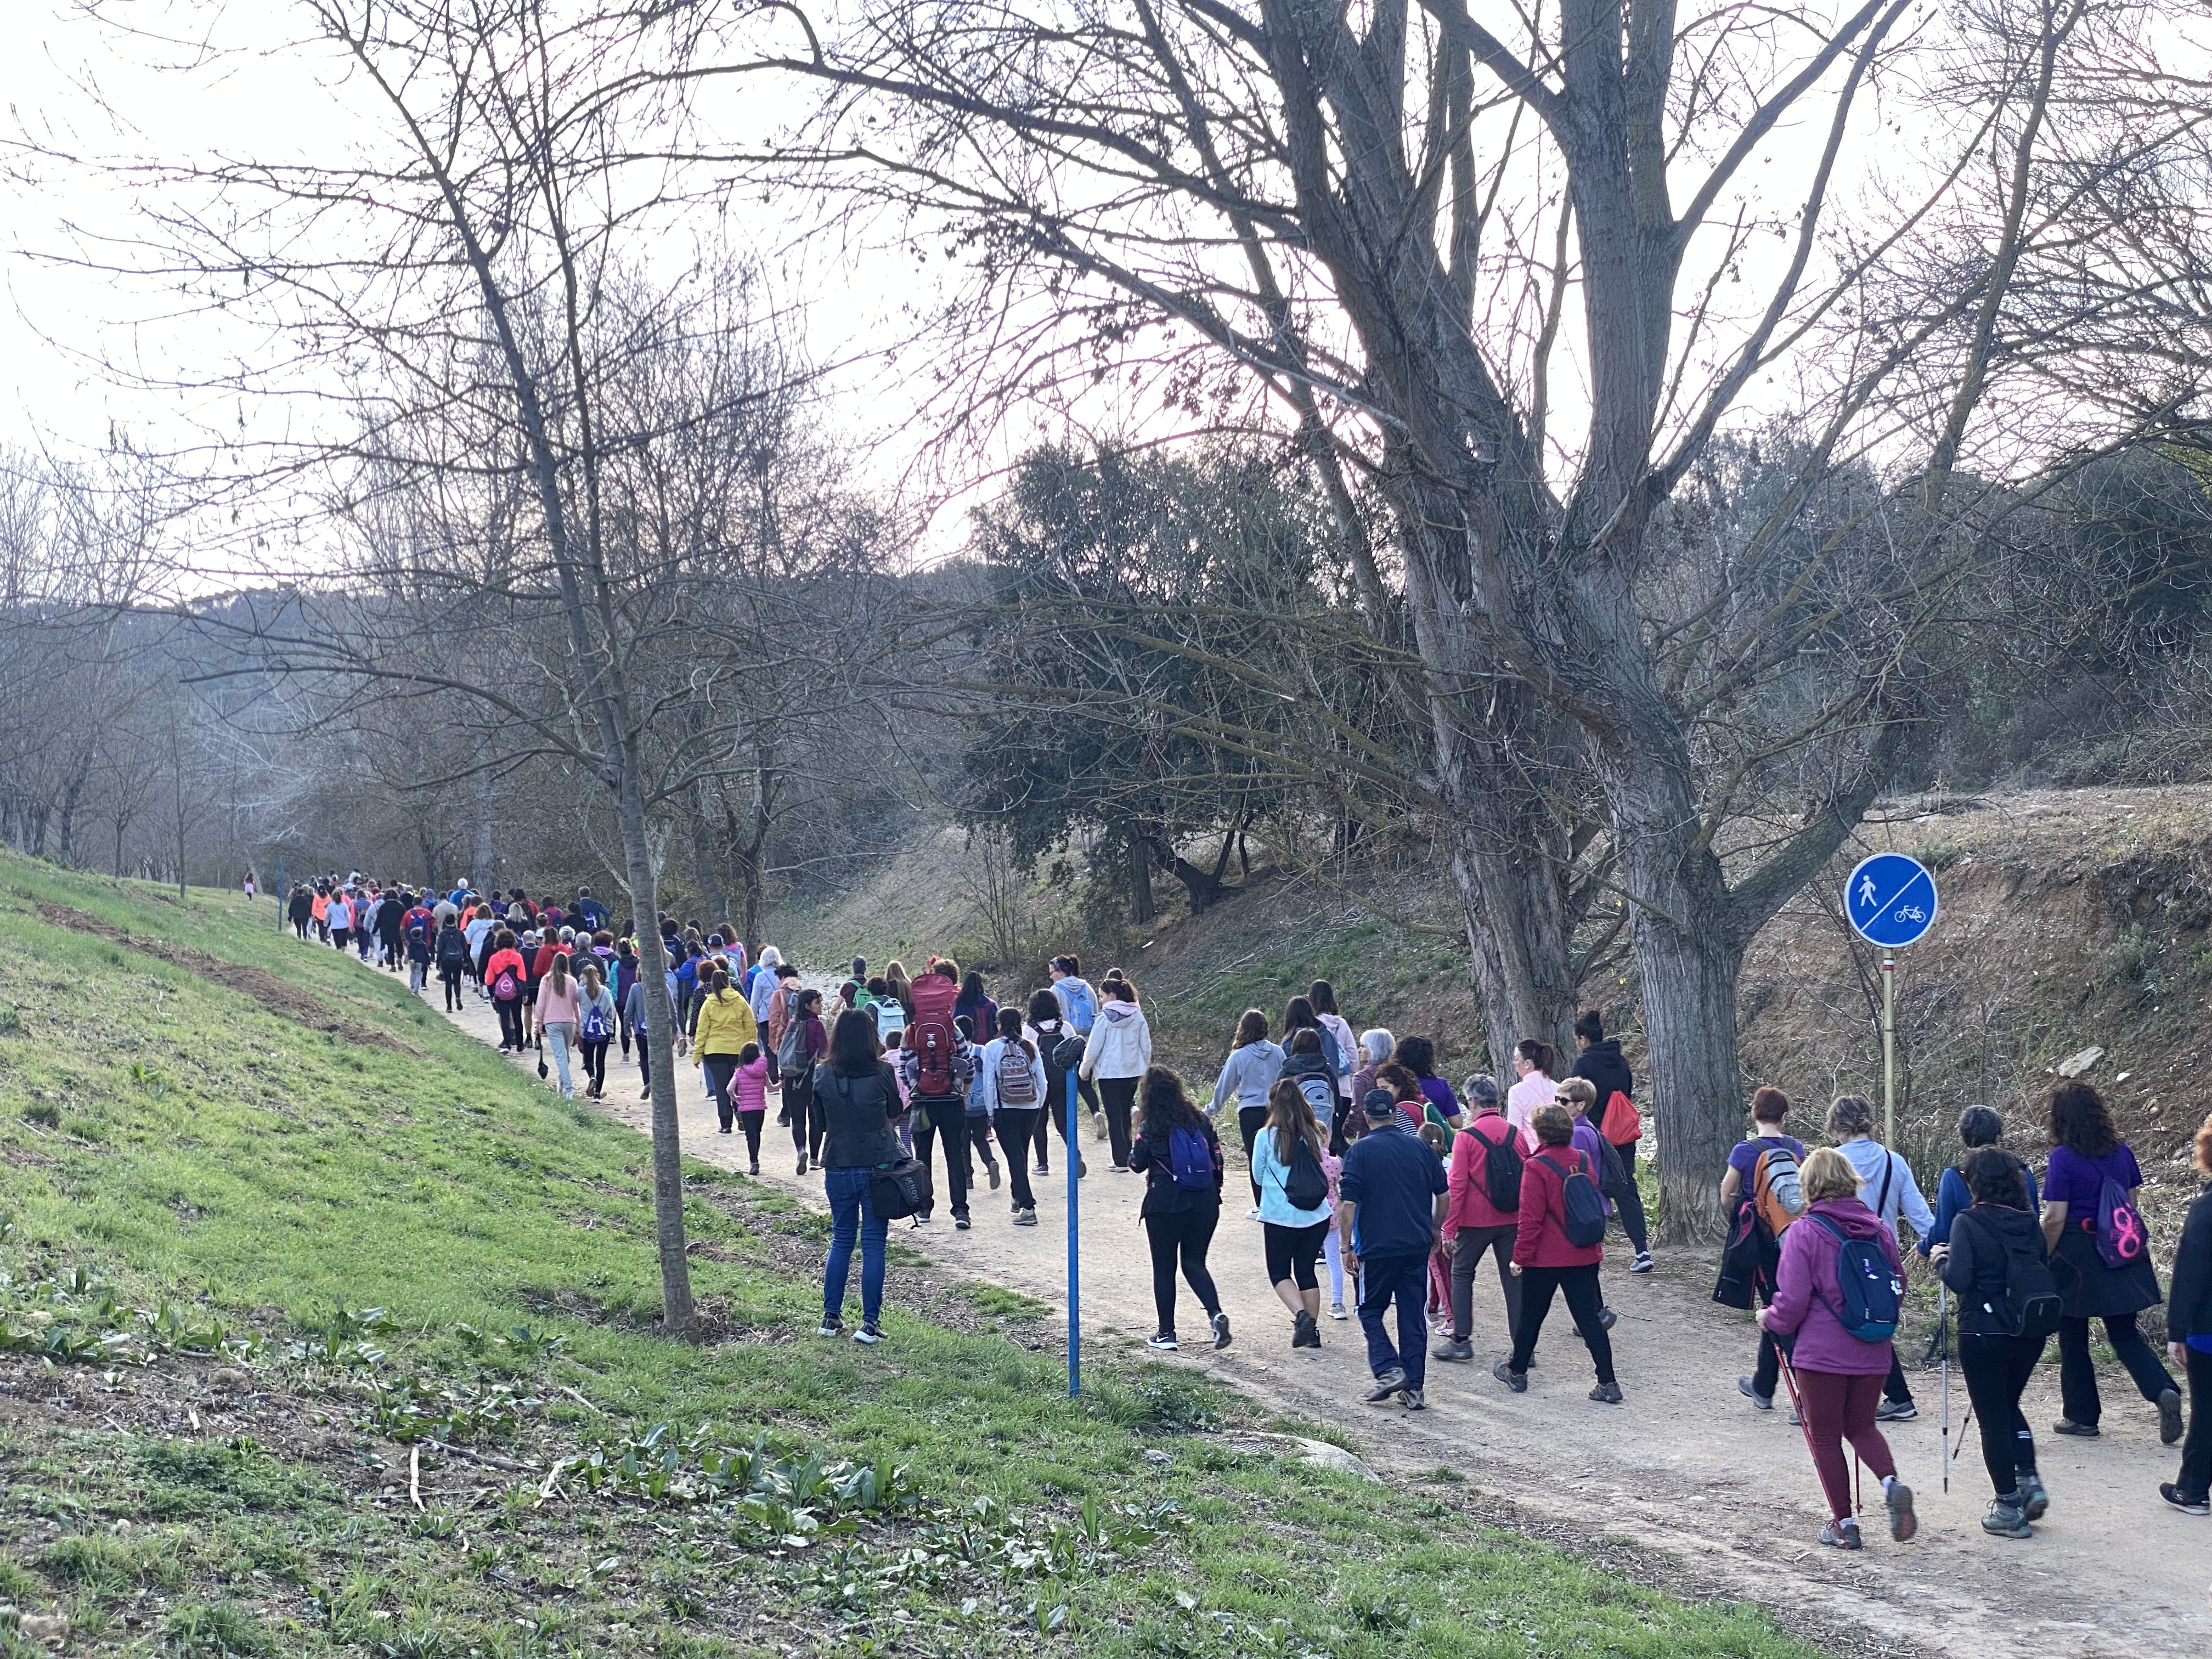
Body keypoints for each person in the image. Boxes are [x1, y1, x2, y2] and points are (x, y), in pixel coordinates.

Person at [1759, 1147, 1917, 1550]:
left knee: (1825, 1437)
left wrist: (1769, 1320)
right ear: (1851, 1181)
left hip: (1821, 1354)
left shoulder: (1804, 1233)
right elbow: (1897, 1287)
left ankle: (1845, 1525)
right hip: (1873, 1347)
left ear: (1808, 1185)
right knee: (1862, 1426)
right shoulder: (1879, 1230)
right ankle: (1891, 1483)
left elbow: (1791, 1303)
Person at [2040, 1080, 2181, 1442]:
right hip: (2120, 1247)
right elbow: (2130, 1205)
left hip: (2076, 1253)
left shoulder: (2062, 1159)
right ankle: (2163, 1390)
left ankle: (2082, 1416)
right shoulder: (2123, 1153)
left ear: (2061, 1121)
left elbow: (2055, 1217)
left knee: (2073, 1336)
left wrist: (2043, 1255)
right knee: (2124, 1333)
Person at [1932, 1148, 2056, 1537]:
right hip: (2027, 1330)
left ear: (1974, 1182)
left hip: (1982, 1331)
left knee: (1992, 1419)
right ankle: (2028, 1478)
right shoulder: (2029, 1222)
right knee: (2007, 1405)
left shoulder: (1967, 1222)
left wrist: (1939, 1261)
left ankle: (2008, 1507)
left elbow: (1961, 1280)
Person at [1492, 1101, 1620, 1403]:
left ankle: (1518, 1372)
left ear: (1539, 1133)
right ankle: (1608, 1382)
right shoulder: (1584, 1159)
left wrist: (1519, 1258)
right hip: (1584, 1252)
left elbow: (1531, 1219)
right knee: (1589, 1318)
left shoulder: (1536, 1166)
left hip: (1545, 1257)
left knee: (1531, 1316)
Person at [1339, 1087, 1449, 1411]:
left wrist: (1346, 1246)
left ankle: (1389, 1369)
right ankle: (1414, 1388)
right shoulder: (1420, 1147)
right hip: (1416, 1243)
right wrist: (1435, 1228)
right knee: (1412, 1314)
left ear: (1367, 1116)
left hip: (1376, 1246)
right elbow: (1444, 1196)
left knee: (1369, 1309)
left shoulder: (1360, 1152)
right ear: (1394, 1114)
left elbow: (1347, 1204)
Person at [1825, 1094, 1933, 1423]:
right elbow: (1920, 1215)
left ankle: (1828, 1400)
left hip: (1839, 1255)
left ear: (1836, 1124)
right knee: (1877, 1322)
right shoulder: (1893, 1161)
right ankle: (1895, 1396)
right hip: (1881, 1256)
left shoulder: (1831, 1161)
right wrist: (1935, 1242)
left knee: (1831, 1323)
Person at [1125, 1066, 1231, 1353]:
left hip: (1166, 1203)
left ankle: (1167, 1333)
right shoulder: (1201, 1121)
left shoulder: (1150, 1127)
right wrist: (1211, 1194)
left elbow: (1136, 1165)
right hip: (1205, 1202)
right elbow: (1218, 1163)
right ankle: (1215, 1314)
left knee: (1164, 1268)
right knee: (1195, 1262)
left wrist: (1136, 1130)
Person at [816, 1008, 902, 1345]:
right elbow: (896, 1111)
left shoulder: (822, 1073)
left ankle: (830, 1316)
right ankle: (869, 1323)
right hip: (878, 1164)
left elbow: (818, 1121)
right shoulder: (884, 1071)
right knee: (873, 1244)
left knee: (841, 1239)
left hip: (838, 1160)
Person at [1725, 1085, 1805, 1410]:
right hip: (1794, 1237)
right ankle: (1763, 1385)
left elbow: (1727, 1190)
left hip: (1760, 1240)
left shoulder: (1744, 1151)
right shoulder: (1797, 1147)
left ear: (1754, 1114)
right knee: (1775, 1305)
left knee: (1778, 1308)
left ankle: (1807, 1394)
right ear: (1784, 1116)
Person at [1434, 1074, 1520, 1364]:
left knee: (1461, 1274)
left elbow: (1456, 1187)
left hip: (1475, 1221)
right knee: (1514, 1280)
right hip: (1512, 1218)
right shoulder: (1515, 1132)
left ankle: (1461, 1341)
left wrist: (1448, 1229)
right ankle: (1522, 1346)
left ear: (1471, 1101)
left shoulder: (1466, 1139)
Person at [1251, 1077, 1336, 1348]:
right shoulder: (1312, 1132)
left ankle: (1302, 1317)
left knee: (1279, 1272)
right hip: (1316, 1216)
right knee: (1306, 1270)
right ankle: (1312, 1333)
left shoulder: (1265, 1136)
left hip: (1280, 1216)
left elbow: (1259, 1176)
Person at [1571, 1009, 1651, 1273]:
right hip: (1622, 1135)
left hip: (1593, 1135)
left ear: (1583, 1039)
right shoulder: (1622, 1061)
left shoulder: (1583, 1065)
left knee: (1590, 1186)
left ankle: (1591, 1247)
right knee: (1627, 1189)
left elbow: (1578, 1098)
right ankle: (1642, 1250)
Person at [899, 961, 978, 1228]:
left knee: (923, 1156)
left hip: (922, 1104)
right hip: (951, 1102)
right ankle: (960, 1211)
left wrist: (915, 1088)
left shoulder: (911, 1031)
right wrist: (962, 1091)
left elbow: (903, 1068)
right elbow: (969, 1064)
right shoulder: (953, 1029)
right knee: (955, 1155)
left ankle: (924, 1208)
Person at [1918, 1105, 2042, 1263]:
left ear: (1964, 1139)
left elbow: (1942, 1233)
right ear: (1999, 1137)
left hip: (1976, 1268)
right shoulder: (2022, 1171)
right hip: (2021, 1264)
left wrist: (1924, 1247)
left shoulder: (1954, 1176)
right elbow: (2034, 1220)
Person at [2164, 1111, 2212, 1515]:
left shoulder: (2206, 1210)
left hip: (2208, 1331)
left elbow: (2190, 1275)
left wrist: (2177, 1330)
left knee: (2207, 1412)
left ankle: (2192, 1490)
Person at [1210, 1010, 1287, 1214]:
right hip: (1276, 1109)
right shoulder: (1278, 1052)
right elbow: (1287, 1081)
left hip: (1250, 1111)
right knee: (1279, 1153)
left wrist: (1212, 1109)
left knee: (1256, 1158)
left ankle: (1261, 1205)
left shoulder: (1239, 1056)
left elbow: (1224, 1085)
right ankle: (1281, 1198)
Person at [974, 1007, 1046, 1226]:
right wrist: (1038, 1104)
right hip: (1030, 1107)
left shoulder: (992, 1048)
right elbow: (1041, 1080)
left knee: (1015, 1157)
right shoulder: (1030, 1046)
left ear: (999, 1024)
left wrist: (990, 1111)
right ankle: (1017, 1196)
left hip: (1005, 1108)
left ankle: (1028, 1207)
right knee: (1020, 1154)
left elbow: (989, 1082)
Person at [1079, 977, 1152, 1170]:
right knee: (1125, 1113)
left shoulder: (1104, 1019)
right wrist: (1145, 1069)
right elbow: (1146, 1047)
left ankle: (1119, 1160)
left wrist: (1085, 1070)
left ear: (1112, 996)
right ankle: (1129, 1155)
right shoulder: (1137, 1017)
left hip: (1109, 1074)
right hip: (1131, 1073)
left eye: (1102, 996)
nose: (1100, 1000)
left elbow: (1093, 1048)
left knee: (1114, 1116)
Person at [692, 966, 763, 1135]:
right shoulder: (740, 1001)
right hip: (738, 1050)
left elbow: (702, 1031)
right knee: (738, 1084)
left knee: (721, 1087)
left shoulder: (708, 1004)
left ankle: (725, 1123)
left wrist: (697, 1054)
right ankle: (740, 1111)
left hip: (714, 1051)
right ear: (729, 982)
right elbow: (750, 1025)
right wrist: (752, 1047)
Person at [1024, 988, 1085, 1178]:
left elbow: (1028, 1057)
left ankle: (1043, 1164)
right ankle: (1075, 1155)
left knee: (1039, 1123)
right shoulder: (1066, 1028)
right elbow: (1076, 1050)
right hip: (1063, 1081)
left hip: (1040, 1083)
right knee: (1063, 1122)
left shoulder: (1029, 1030)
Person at [1049, 953, 1106, 1138]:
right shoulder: (1087, 987)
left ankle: (1067, 1122)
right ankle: (1096, 1113)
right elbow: (1097, 1014)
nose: (1050, 976)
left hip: (1069, 1042)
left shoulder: (1056, 990)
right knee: (1085, 1083)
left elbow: (1058, 1018)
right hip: (1090, 1041)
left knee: (1067, 1083)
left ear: (1061, 972)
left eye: (1052, 972)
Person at [779, 987, 832, 1173]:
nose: (821, 1006)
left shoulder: (793, 1023)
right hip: (811, 1077)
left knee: (798, 1119)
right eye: (818, 1003)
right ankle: (815, 1159)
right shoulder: (816, 1025)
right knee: (815, 1117)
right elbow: (825, 1052)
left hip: (791, 1078)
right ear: (808, 1005)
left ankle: (801, 1150)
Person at [1309, 980, 1358, 1143]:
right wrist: (1349, 1076)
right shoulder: (1341, 1024)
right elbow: (1353, 1055)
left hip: (1318, 1090)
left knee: (1321, 1140)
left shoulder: (1311, 1026)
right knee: (1338, 1139)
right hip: (1343, 1090)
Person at [1391, 1036, 1460, 1136]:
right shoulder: (1440, 1084)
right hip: (1436, 1141)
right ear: (1429, 1059)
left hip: (1404, 1140)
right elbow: (1457, 1122)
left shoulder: (1395, 1085)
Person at [537, 950, 582, 1098]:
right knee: (566, 1055)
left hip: (552, 1022)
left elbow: (541, 1003)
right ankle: (562, 1084)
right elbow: (576, 1004)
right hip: (569, 1021)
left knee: (561, 1056)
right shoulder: (572, 981)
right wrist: (579, 1021)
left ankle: (568, 1088)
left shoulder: (546, 980)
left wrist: (539, 1022)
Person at [575, 960, 617, 1101]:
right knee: (601, 1062)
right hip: (603, 1031)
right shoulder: (606, 991)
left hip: (587, 1030)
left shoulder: (580, 991)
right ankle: (597, 1095)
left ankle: (592, 1077)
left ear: (583, 976)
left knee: (588, 1059)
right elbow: (612, 1012)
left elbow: (575, 1006)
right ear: (597, 976)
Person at [1504, 1038, 1558, 1149]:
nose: (1514, 1064)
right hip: (1558, 1149)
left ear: (1528, 1063)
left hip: (1532, 1153)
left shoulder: (1517, 1091)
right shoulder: (1558, 1087)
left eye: (1516, 1059)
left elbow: (1515, 1131)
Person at [484, 929, 528, 1051]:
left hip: (500, 993)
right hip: (516, 993)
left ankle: (507, 1044)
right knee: (517, 1017)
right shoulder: (518, 957)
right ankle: (520, 1044)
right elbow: (522, 976)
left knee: (504, 1018)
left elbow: (490, 978)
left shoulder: (493, 958)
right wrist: (524, 992)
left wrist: (491, 993)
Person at [1347, 1028, 1392, 1120]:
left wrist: (1348, 1130)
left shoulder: (1361, 1078)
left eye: (1363, 1046)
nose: (1359, 1050)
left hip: (1370, 1130)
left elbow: (1359, 1109)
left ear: (1373, 1048)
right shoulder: (1400, 1072)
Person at [433, 915, 470, 1011]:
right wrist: (466, 960)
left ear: (445, 922)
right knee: (457, 982)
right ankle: (458, 997)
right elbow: (465, 948)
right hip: (458, 959)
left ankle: (449, 1006)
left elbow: (440, 949)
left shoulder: (443, 934)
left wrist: (438, 962)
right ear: (455, 921)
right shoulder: (460, 933)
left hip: (446, 959)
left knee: (448, 983)